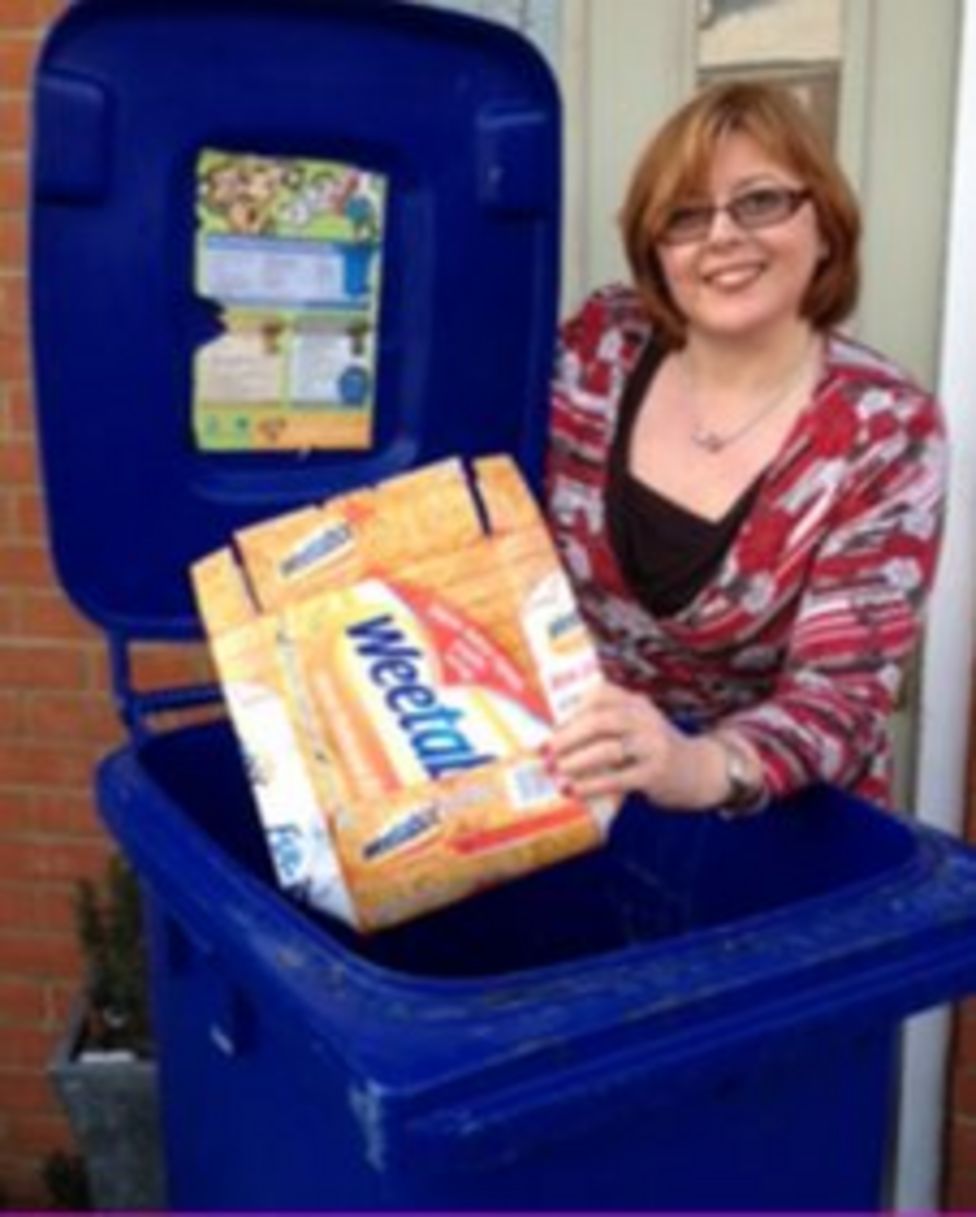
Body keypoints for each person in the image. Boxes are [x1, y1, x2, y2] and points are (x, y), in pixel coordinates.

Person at [544, 80, 947, 816]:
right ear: (655, 248)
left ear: (825, 225)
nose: (722, 236)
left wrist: (700, 766)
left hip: (782, 828)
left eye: (759, 201)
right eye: (685, 216)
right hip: (586, 782)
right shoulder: (600, 346)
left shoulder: (881, 427)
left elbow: (841, 696)